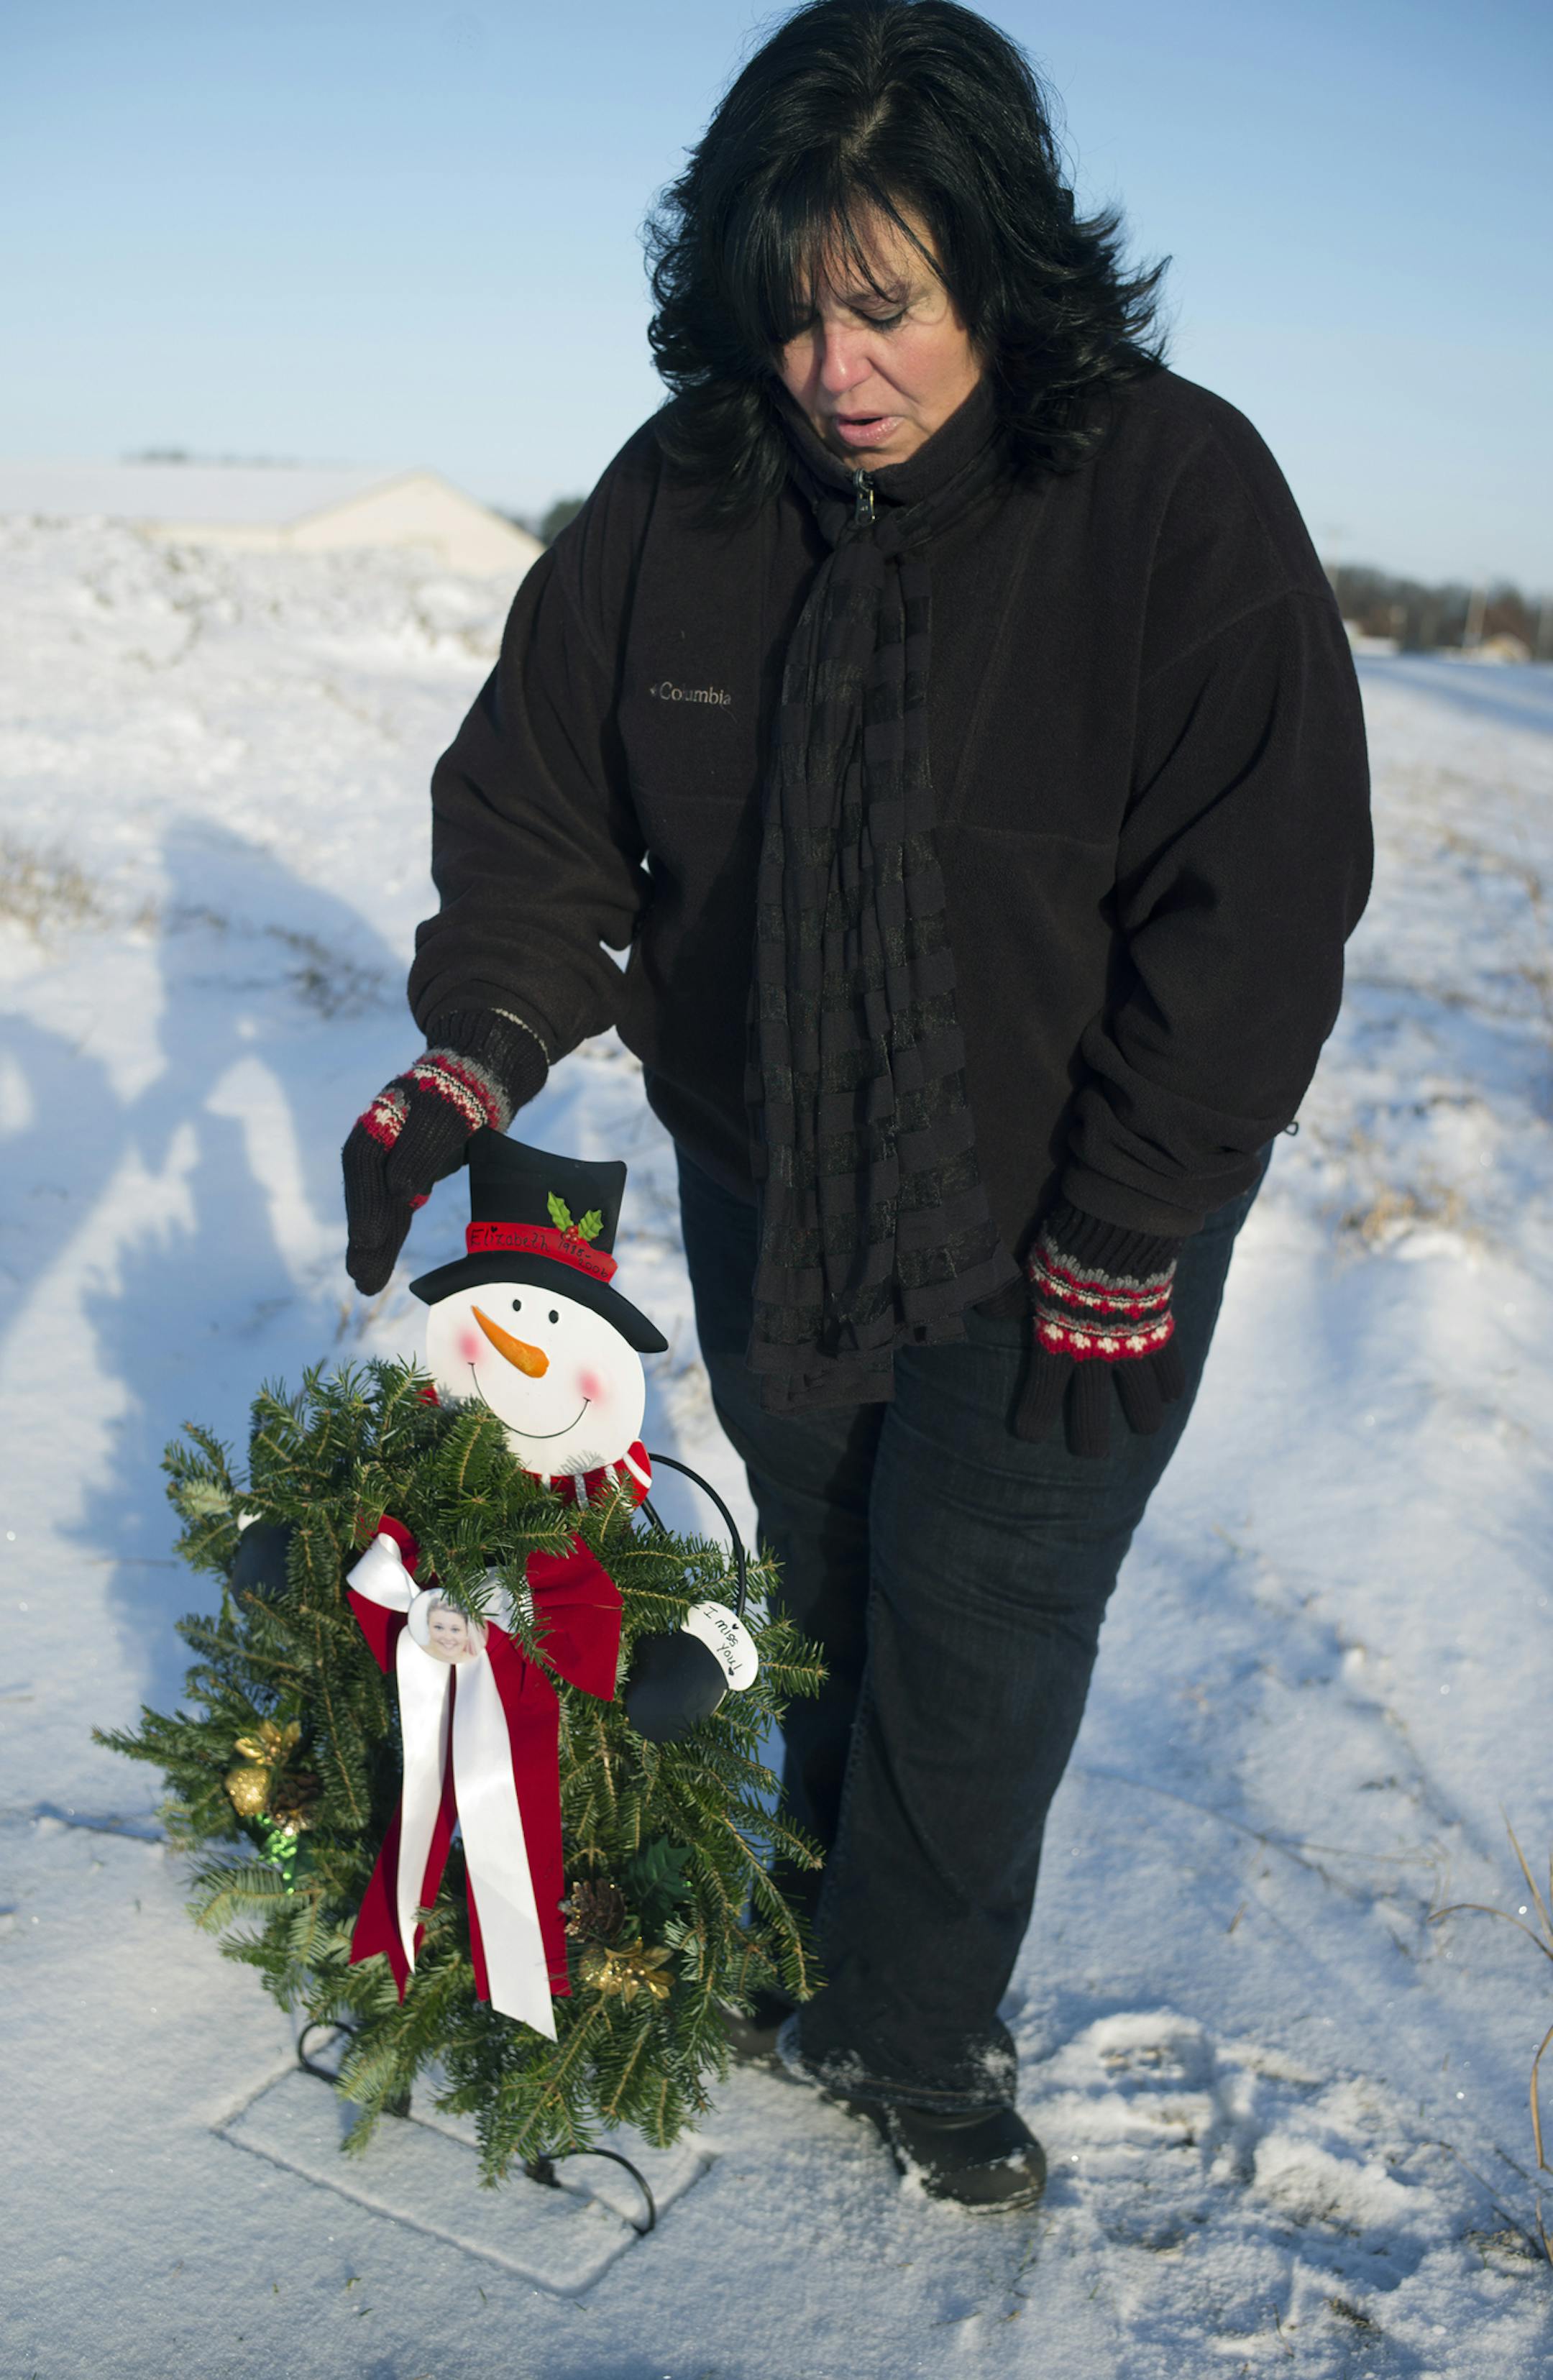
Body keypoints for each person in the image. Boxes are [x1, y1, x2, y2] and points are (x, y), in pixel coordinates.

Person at [341, 0, 1371, 2212]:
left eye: (886, 307)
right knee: (814, 1579)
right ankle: (801, 1933)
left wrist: (1137, 1213)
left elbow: (1260, 898)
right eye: (794, 312)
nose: (838, 371)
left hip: (1078, 1210)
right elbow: (542, 811)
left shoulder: (1174, 497)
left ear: (997, 266)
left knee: (982, 1625)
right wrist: (480, 1041)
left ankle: (912, 2031)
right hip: (778, 1170)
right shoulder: (687, 498)